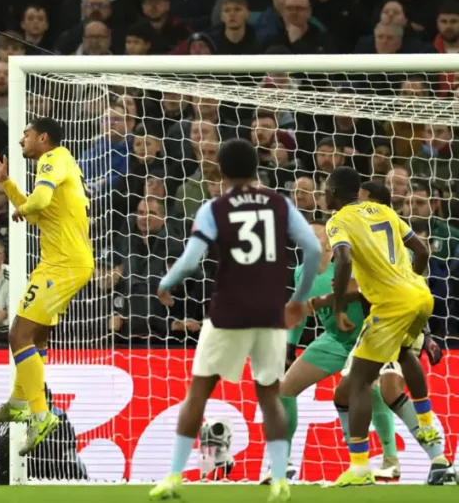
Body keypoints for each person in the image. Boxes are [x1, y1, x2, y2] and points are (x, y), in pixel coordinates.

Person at [147, 138, 322, 502]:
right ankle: (278, 480)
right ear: (256, 169)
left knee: (198, 392)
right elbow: (314, 248)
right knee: (270, 396)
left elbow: (192, 260)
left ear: (221, 172)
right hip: (270, 313)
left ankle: (174, 477)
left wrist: (166, 283)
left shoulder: (215, 207)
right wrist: (299, 300)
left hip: (228, 312)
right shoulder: (280, 203)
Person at [323, 166, 450, 486]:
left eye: (326, 189)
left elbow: (343, 259)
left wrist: (337, 306)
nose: (323, 194)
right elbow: (421, 250)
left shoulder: (338, 221)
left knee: (360, 384)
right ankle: (429, 430)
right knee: (406, 354)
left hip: (389, 307)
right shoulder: (383, 211)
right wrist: (412, 283)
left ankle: (360, 466)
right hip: (420, 296)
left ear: (335, 191)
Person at [0, 118, 94, 457]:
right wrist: (7, 183)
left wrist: (25, 205)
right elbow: (35, 213)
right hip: (57, 262)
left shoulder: (52, 159)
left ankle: (41, 415)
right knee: (35, 338)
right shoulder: (59, 163)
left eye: (25, 134)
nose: (21, 140)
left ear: (43, 137)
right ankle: (18, 402)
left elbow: (37, 203)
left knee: (18, 336)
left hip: (63, 265)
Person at [269, 219, 399, 483]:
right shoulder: (301, 272)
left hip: (366, 339)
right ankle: (284, 462)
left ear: (328, 245)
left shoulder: (347, 268)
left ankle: (390, 460)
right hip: (333, 340)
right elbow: (302, 311)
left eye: (314, 236)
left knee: (372, 392)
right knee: (285, 389)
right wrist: (289, 348)